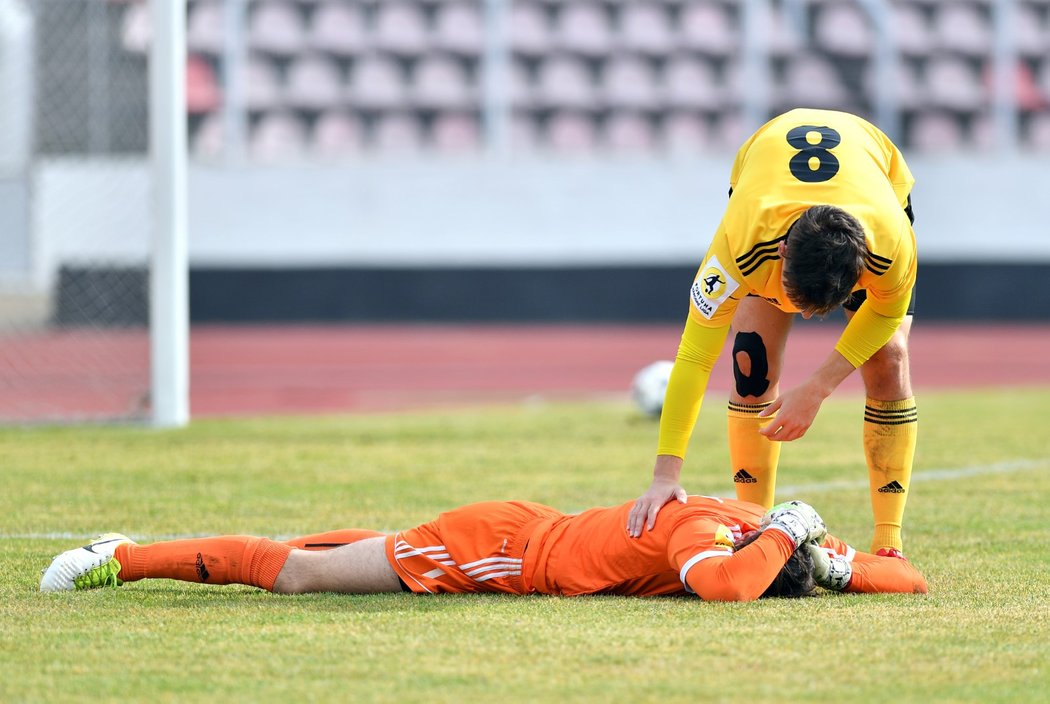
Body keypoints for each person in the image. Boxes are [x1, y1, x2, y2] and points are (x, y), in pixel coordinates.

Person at [628, 108, 918, 558]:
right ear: (781, 254)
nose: (802, 317)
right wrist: (665, 475)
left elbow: (882, 317)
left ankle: (889, 542)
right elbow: (694, 355)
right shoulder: (740, 245)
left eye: (818, 309)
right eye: (793, 297)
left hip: (875, 165)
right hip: (762, 163)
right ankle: (754, 527)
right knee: (750, 364)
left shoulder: (891, 244)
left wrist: (818, 387)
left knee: (889, 359)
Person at [40, 496, 927, 601]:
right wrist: (788, 536)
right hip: (500, 550)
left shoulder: (768, 525)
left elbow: (912, 581)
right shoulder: (710, 538)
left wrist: (842, 562)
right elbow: (731, 590)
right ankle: (122, 555)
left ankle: (132, 549)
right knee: (301, 577)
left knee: (371, 553)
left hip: (522, 529)